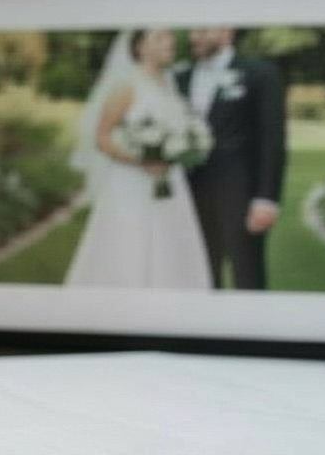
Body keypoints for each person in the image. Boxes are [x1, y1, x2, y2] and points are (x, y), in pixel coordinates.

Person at [64, 29, 213, 289]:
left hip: (169, 181)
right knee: (129, 244)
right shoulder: (126, 86)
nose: (169, 42)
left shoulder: (169, 84)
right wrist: (141, 160)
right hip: (131, 183)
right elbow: (102, 138)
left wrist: (185, 147)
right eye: (160, 38)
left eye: (168, 38)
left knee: (171, 241)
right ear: (140, 48)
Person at [174, 27, 287, 289]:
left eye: (202, 31)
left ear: (226, 32)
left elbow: (272, 141)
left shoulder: (260, 74)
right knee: (197, 270)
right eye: (192, 32)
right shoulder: (179, 77)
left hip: (240, 191)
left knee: (246, 272)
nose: (194, 37)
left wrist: (266, 199)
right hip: (187, 193)